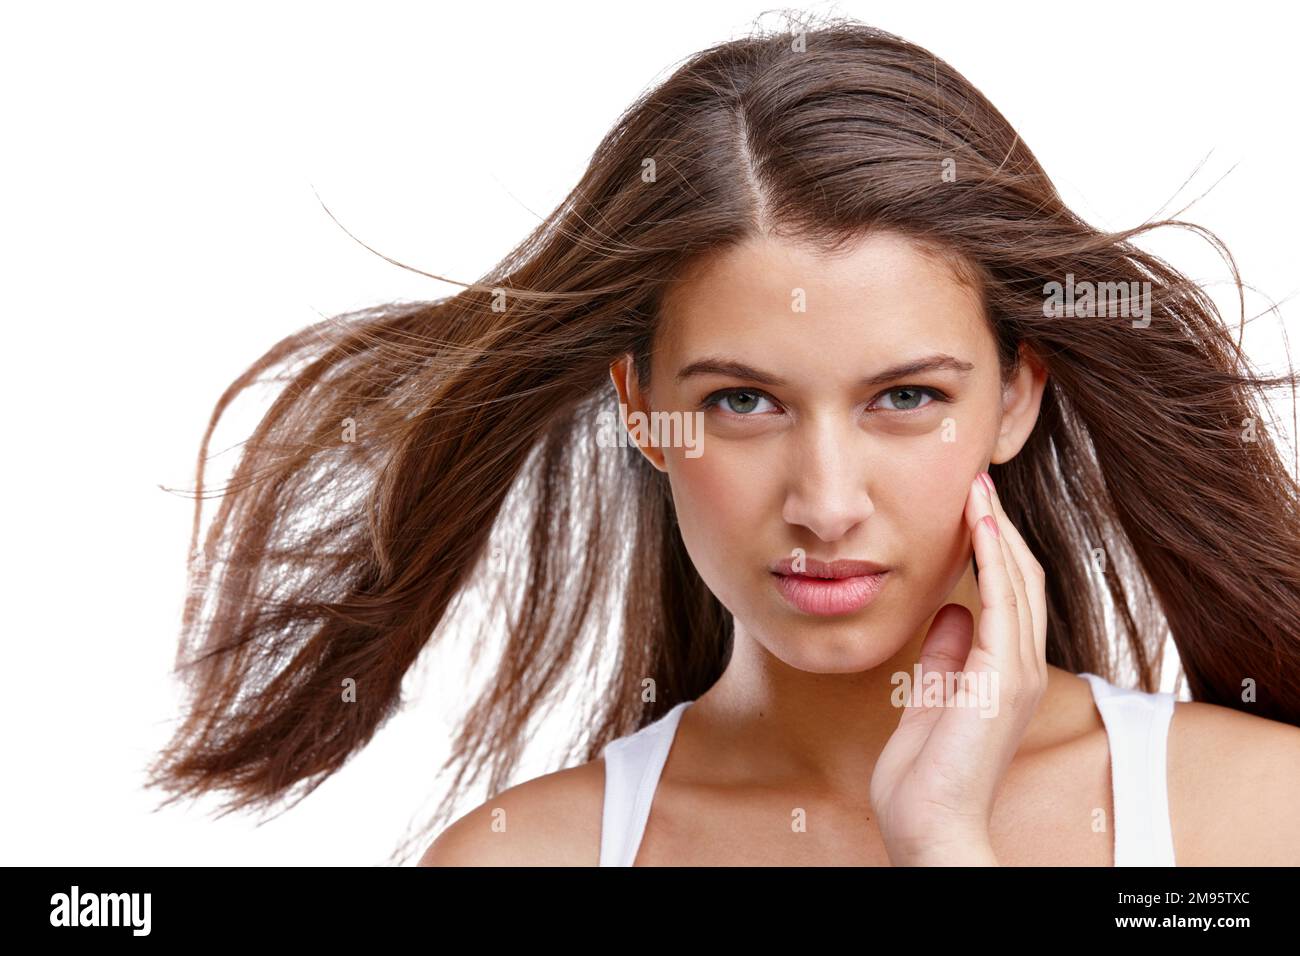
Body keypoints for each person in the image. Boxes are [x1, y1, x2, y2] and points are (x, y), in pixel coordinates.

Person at [146, 15, 1300, 866]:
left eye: (903, 397)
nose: (827, 500)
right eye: (742, 402)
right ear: (640, 410)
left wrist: (943, 837)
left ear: (1014, 398)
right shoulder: (521, 859)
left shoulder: (1250, 823)